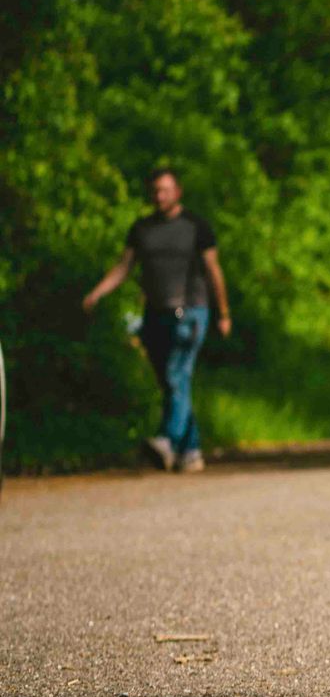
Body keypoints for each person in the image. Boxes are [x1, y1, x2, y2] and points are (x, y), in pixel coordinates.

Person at [81, 168, 232, 473]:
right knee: (171, 381)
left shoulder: (196, 227)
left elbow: (214, 270)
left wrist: (224, 313)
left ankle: (167, 440)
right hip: (155, 314)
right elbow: (124, 266)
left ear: (178, 192)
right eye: (155, 190)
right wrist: (97, 293)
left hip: (190, 312)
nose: (159, 196)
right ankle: (191, 451)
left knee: (177, 373)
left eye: (165, 190)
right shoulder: (142, 229)